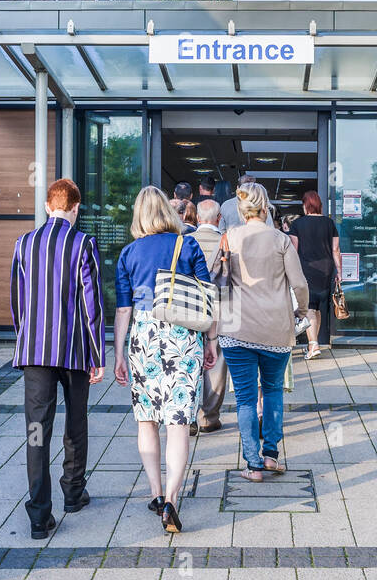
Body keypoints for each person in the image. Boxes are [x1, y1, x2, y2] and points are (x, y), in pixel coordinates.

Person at [114, 186, 219, 533]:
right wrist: (211, 342)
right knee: (178, 426)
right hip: (181, 335)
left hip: (143, 337)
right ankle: (172, 500)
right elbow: (207, 298)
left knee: (147, 421)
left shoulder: (128, 254)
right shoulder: (187, 244)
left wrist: (118, 354)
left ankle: (156, 493)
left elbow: (123, 310)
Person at [10, 178, 105, 539]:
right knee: (75, 421)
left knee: (37, 429)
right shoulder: (83, 244)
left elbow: (17, 300)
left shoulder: (23, 244)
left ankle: (38, 513)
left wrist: (25, 339)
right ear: (75, 208)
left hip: (34, 353)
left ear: (49, 206)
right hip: (74, 350)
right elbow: (91, 303)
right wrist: (97, 353)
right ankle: (73, 492)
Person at [219, 181, 308, 482]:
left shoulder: (229, 238)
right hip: (276, 328)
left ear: (242, 209)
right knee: (272, 391)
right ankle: (271, 456)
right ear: (266, 207)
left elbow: (217, 280)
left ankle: (253, 465)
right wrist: (302, 312)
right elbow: (300, 285)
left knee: (245, 398)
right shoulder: (281, 240)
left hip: (236, 329)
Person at [288, 190, 342, 359]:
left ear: (306, 205)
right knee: (316, 307)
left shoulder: (297, 225)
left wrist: (290, 272)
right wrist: (339, 270)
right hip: (326, 269)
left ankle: (313, 344)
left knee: (310, 307)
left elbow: (293, 252)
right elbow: (335, 249)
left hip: (306, 269)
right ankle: (314, 343)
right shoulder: (329, 223)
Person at [189, 198, 227, 434]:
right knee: (216, 362)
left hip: (189, 309)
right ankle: (209, 417)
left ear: (197, 219)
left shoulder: (185, 241)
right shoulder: (226, 242)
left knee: (189, 358)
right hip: (221, 308)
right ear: (219, 218)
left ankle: (188, 414)